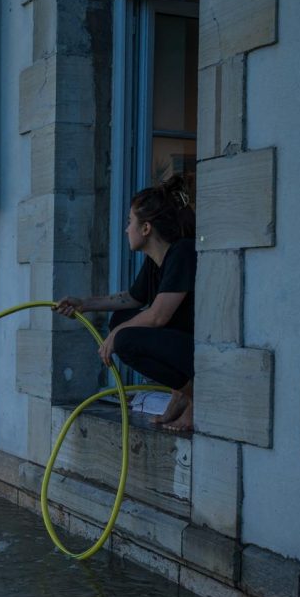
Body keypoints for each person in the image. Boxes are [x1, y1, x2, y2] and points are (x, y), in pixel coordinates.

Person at [55, 175, 197, 432]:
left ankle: (195, 395)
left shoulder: (182, 252)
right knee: (120, 320)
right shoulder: (156, 261)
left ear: (146, 228)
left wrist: (116, 336)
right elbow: (131, 298)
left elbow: (158, 317)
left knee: (125, 338)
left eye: (130, 222)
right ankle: (182, 392)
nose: (126, 229)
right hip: (181, 347)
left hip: (198, 352)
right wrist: (83, 304)